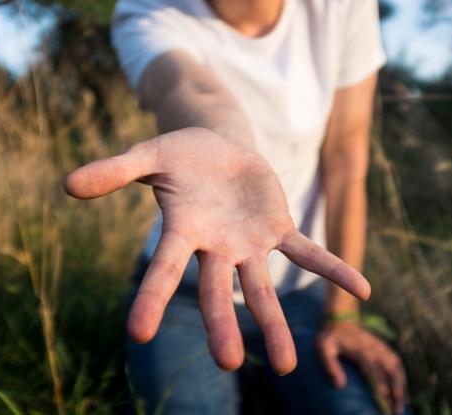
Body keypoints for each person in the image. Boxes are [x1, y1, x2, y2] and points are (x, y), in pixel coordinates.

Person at [65, 0, 408, 413]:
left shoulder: (343, 8)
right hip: (185, 292)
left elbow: (346, 162)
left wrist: (342, 317)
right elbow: (188, 86)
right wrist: (225, 141)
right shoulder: (148, 10)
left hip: (302, 293)